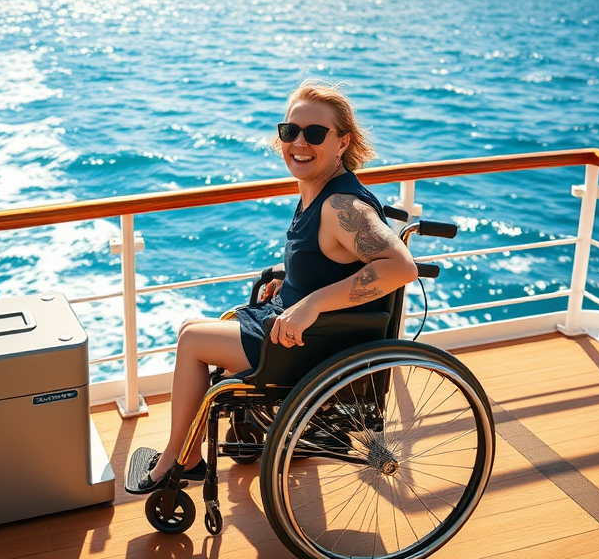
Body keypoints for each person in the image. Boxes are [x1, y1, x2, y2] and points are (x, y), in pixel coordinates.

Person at [125, 79, 419, 494]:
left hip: (304, 342)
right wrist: (294, 281)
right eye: (290, 131)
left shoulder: (341, 205)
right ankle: (208, 442)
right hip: (293, 325)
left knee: (191, 339)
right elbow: (330, 261)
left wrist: (311, 303)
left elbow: (400, 266)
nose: (299, 142)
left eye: (315, 133)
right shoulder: (318, 191)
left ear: (342, 142)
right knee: (197, 327)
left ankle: (180, 460)